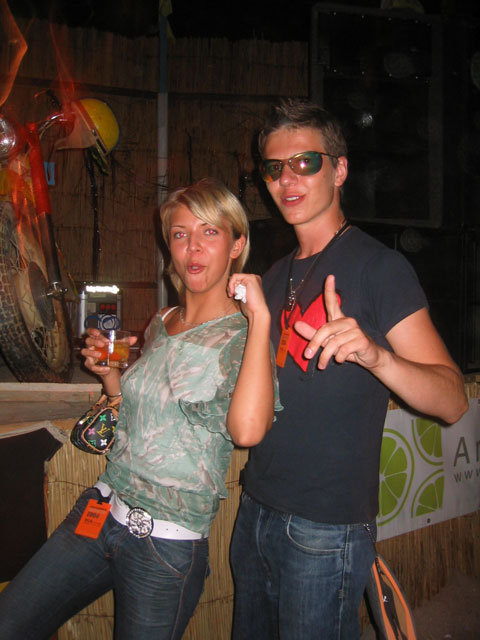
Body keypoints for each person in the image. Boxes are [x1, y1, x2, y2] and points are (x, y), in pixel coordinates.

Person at [0, 177, 280, 640]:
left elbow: (248, 432)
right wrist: (110, 374)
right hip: (101, 509)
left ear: (237, 245)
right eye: (180, 233)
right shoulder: (162, 321)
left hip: (164, 545)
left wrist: (261, 318)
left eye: (210, 232)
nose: (193, 247)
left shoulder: (242, 337)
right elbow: (134, 414)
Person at [230, 99, 469, 639]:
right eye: (274, 167)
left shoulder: (379, 268)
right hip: (255, 510)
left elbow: (453, 399)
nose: (287, 178)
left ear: (339, 170)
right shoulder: (273, 277)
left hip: (326, 528)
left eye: (305, 162)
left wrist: (377, 356)